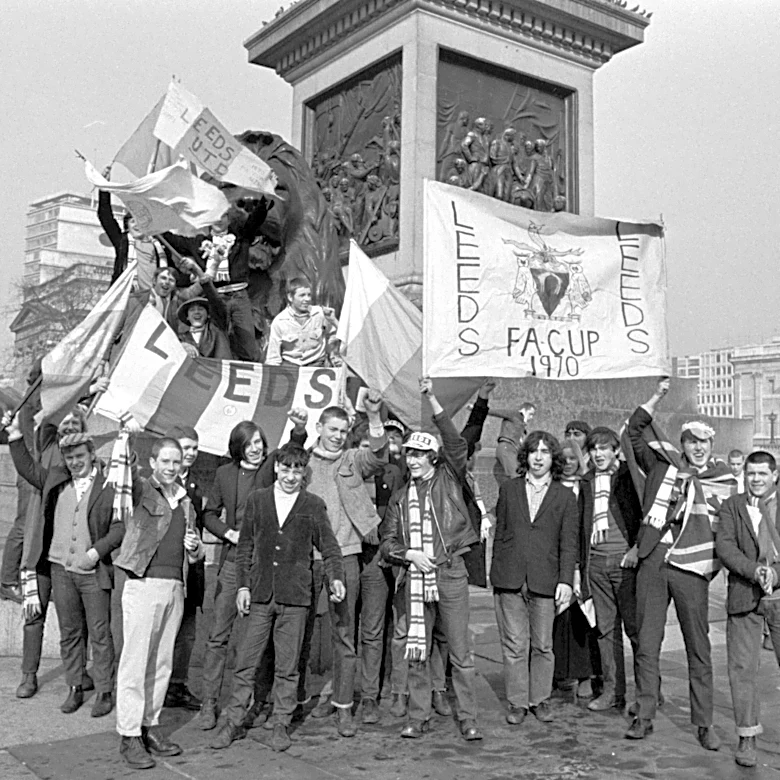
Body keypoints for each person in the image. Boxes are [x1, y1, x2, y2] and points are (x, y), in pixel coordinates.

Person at [210, 444, 346, 752]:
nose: (290, 476)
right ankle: (233, 720)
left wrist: (336, 577)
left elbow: (330, 547)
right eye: (285, 469)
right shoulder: (258, 501)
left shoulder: (313, 504)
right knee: (246, 661)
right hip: (260, 594)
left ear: (303, 474)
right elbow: (244, 548)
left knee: (288, 666)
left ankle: (281, 723)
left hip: (295, 597)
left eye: (297, 471)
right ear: (276, 469)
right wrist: (243, 586)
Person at [625, 378, 732, 749]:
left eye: (704, 442)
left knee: (697, 647)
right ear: (681, 444)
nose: (698, 448)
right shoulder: (661, 466)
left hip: (692, 569)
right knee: (647, 643)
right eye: (691, 441)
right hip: (654, 560)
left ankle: (704, 724)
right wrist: (657, 396)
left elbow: (729, 530)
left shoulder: (723, 480)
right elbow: (634, 430)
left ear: (711, 445)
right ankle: (644, 714)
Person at [380, 377, 483, 741]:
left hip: (450, 572)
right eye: (410, 454)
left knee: (460, 652)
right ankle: (418, 715)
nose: (414, 460)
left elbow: (456, 443)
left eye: (421, 455)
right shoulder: (399, 497)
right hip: (416, 577)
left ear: (433, 459)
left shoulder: (450, 477)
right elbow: (386, 542)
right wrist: (408, 554)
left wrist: (433, 401)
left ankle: (468, 717)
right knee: (418, 649)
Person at [5, 416, 123, 718]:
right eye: (69, 458)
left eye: (80, 456)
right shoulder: (57, 480)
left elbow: (120, 528)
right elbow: (28, 469)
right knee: (69, 633)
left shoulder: (108, 485)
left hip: (93, 573)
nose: (74, 463)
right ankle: (74, 688)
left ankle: (105, 690)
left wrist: (96, 552)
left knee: (99, 633)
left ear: (91, 454)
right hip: (61, 569)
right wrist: (16, 435)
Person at [197, 412, 307, 730]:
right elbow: (208, 513)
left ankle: (259, 700)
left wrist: (299, 429)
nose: (256, 448)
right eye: (250, 444)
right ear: (238, 447)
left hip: (265, 567)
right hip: (233, 563)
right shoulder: (224, 475)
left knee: (261, 639)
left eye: (259, 441)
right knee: (218, 635)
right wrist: (227, 532)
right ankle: (209, 703)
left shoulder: (271, 469)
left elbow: (293, 447)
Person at [114, 436, 205, 770]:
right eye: (164, 461)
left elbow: (196, 555)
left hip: (174, 588)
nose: (170, 467)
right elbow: (122, 476)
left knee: (162, 664)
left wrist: (195, 548)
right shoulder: (140, 490)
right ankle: (128, 735)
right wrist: (124, 436)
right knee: (135, 664)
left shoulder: (185, 501)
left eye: (176, 462)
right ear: (152, 462)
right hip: (143, 584)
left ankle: (149, 727)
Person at [303, 391, 387, 737]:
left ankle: (342, 706)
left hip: (346, 556)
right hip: (305, 559)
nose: (337, 435)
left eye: (343, 430)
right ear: (319, 427)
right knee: (297, 632)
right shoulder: (302, 463)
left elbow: (379, 454)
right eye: (332, 429)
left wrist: (374, 414)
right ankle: (291, 702)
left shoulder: (353, 459)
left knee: (344, 634)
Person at [491, 431, 579, 725]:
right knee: (515, 644)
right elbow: (501, 532)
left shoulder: (565, 496)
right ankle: (517, 702)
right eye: (533, 451)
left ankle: (539, 699)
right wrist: (498, 573)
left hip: (546, 580)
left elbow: (569, 543)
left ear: (553, 458)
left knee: (543, 645)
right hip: (510, 578)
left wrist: (566, 581)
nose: (538, 457)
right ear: (525, 456)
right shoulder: (510, 490)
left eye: (545, 452)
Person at [716, 451, 780, 768]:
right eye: (750, 474)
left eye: (762, 474)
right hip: (744, 595)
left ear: (775, 475)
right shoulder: (732, 506)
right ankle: (747, 736)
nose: (755, 479)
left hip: (779, 599)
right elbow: (725, 547)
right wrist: (754, 571)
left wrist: (776, 575)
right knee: (743, 670)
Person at [580, 427, 643, 713]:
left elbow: (648, 513)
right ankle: (612, 691)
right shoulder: (586, 481)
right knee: (606, 631)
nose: (598, 454)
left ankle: (647, 691)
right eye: (594, 449)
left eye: (604, 448)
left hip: (625, 562)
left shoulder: (630, 476)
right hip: (596, 563)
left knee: (636, 630)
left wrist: (637, 549)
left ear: (616, 450)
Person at [163, 199, 272, 363]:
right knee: (218, 341)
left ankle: (249, 378)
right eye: (213, 217)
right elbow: (174, 241)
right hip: (215, 298)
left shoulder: (240, 237)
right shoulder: (199, 243)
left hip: (239, 296)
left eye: (222, 217)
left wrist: (264, 202)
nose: (218, 221)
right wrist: (153, 226)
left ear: (228, 219)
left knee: (247, 345)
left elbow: (254, 221)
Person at [163, 425, 206, 711]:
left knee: (187, 633)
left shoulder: (197, 487)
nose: (189, 454)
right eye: (184, 448)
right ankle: (160, 686)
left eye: (193, 448)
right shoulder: (159, 484)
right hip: (164, 570)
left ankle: (178, 685)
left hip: (190, 569)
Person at [265, 278, 339, 367]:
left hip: (317, 365)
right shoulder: (280, 321)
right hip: (291, 367)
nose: (307, 299)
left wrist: (334, 320)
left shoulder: (319, 314)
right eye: (302, 295)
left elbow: (336, 335)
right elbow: (273, 358)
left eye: (309, 295)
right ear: (290, 297)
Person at [490, 401, 536, 482]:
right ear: (524, 410)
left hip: (511, 449)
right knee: (516, 476)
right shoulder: (515, 414)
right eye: (530, 414)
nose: (531, 417)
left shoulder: (522, 425)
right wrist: (478, 408)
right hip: (507, 447)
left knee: (508, 479)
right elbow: (497, 412)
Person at [177, 295, 232, 361]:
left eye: (200, 309)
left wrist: (206, 285)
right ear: (187, 317)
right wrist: (183, 346)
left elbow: (218, 306)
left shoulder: (217, 328)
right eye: (192, 310)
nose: (196, 312)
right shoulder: (182, 338)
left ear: (208, 314)